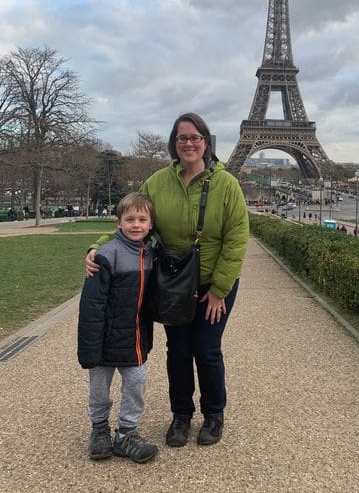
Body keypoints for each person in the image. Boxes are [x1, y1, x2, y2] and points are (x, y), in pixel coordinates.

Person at [86, 112, 249, 448]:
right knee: (177, 350)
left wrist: (219, 290)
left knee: (206, 350)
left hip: (212, 286)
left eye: (195, 137)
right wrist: (98, 247)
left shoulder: (227, 185)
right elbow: (133, 221)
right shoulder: (157, 183)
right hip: (174, 285)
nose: (189, 143)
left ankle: (214, 414)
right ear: (174, 144)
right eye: (181, 138)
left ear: (206, 141)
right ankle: (181, 415)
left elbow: (236, 239)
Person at [78, 192, 158, 463]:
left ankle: (127, 432)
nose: (136, 225)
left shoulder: (151, 255)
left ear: (150, 224)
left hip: (135, 337)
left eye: (142, 219)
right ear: (118, 223)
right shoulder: (106, 254)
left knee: (136, 384)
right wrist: (89, 346)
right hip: (105, 337)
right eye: (130, 219)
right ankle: (99, 429)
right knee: (99, 387)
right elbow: (91, 305)